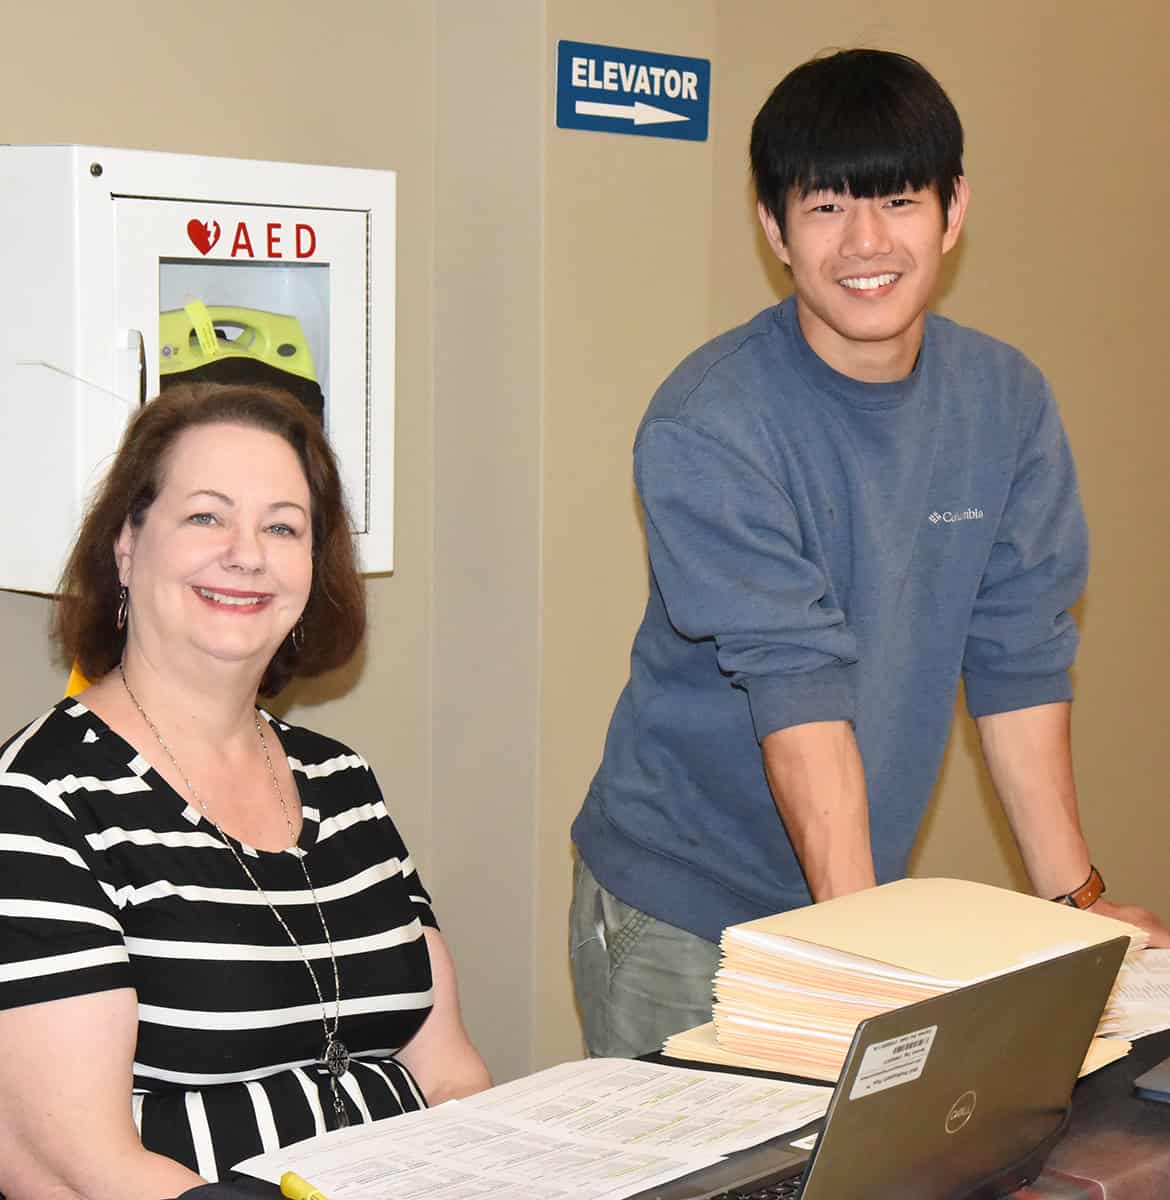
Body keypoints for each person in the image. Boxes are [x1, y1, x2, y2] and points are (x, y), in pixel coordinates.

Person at [569, 48, 1170, 1059]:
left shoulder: (1005, 402)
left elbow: (1018, 661)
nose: (865, 242)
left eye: (896, 201)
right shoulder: (712, 423)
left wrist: (1076, 902)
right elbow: (798, 697)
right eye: (825, 209)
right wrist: (857, 960)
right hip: (686, 911)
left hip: (847, 901)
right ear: (773, 226)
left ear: (954, 208)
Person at [0, 382, 490, 1196]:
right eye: (206, 516)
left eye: (282, 526)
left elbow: (447, 1070)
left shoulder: (343, 781)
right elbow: (66, 1165)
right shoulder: (40, 799)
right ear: (127, 546)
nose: (247, 553)